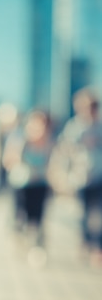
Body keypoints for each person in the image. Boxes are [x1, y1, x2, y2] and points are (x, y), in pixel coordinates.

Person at [51, 87, 102, 265]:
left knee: (97, 214)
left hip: (99, 177)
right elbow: (63, 152)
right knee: (83, 213)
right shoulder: (74, 127)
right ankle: (85, 242)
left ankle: (97, 248)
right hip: (80, 178)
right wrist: (62, 177)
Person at [2, 109, 54, 263]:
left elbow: (53, 163)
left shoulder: (49, 141)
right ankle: (18, 237)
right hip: (22, 184)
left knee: (37, 218)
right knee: (20, 216)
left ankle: (36, 248)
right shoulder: (20, 138)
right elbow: (8, 160)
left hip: (40, 184)